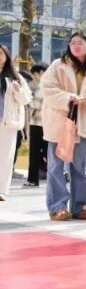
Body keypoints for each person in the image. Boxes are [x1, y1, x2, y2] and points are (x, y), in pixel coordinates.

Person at [40, 33, 86, 220]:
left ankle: (79, 206)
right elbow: (47, 87)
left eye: (80, 42)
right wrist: (68, 98)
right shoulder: (58, 65)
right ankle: (57, 207)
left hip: (84, 123)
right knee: (56, 166)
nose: (75, 46)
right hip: (59, 122)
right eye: (72, 42)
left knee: (79, 167)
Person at [0, 45, 31, 199]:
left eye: (0, 54)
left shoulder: (15, 77)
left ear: (6, 56)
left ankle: (2, 190)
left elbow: (26, 100)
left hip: (7, 123)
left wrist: (18, 90)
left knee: (5, 158)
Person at [23, 63, 48, 188]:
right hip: (47, 124)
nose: (34, 77)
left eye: (35, 74)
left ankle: (33, 180)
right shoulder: (50, 85)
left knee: (35, 153)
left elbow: (35, 105)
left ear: (41, 73)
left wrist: (28, 100)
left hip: (38, 124)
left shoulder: (43, 87)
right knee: (47, 152)